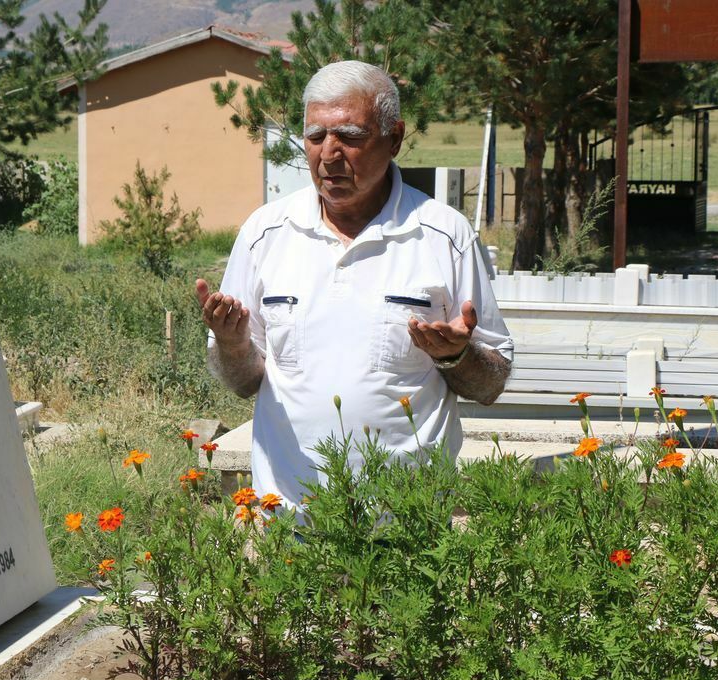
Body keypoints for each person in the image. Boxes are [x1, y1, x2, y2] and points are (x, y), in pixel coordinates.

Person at [195, 60, 513, 512]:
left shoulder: (444, 235)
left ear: (394, 138)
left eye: (350, 136)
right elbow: (245, 383)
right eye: (315, 136)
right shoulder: (265, 233)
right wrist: (231, 344)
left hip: (408, 521)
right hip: (289, 517)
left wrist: (455, 356)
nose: (329, 154)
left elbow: (491, 384)